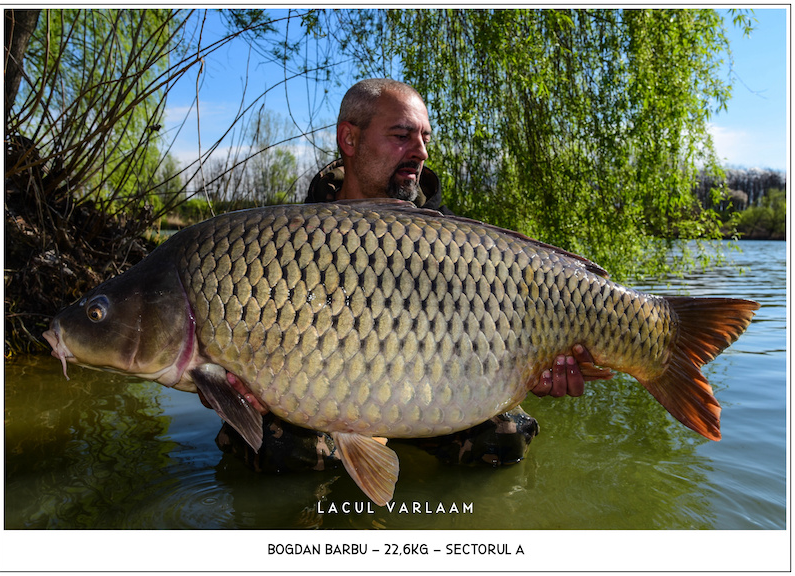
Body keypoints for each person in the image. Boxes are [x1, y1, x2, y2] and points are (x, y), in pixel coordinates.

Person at [214, 79, 612, 472]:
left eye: (424, 138)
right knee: (269, 448)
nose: (420, 151)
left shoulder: (449, 242)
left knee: (505, 438)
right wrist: (225, 383)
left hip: (427, 392)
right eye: (402, 135)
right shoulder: (284, 242)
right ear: (349, 140)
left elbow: (491, 340)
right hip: (319, 395)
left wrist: (532, 369)